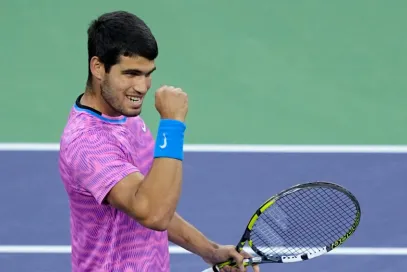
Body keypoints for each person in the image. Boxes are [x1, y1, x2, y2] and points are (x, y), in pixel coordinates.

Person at [58, 10, 260, 272]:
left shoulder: (124, 115)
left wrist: (210, 251)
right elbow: (153, 212)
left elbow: (154, 200)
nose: (142, 87)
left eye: (147, 73)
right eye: (130, 73)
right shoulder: (87, 143)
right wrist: (172, 124)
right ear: (98, 67)